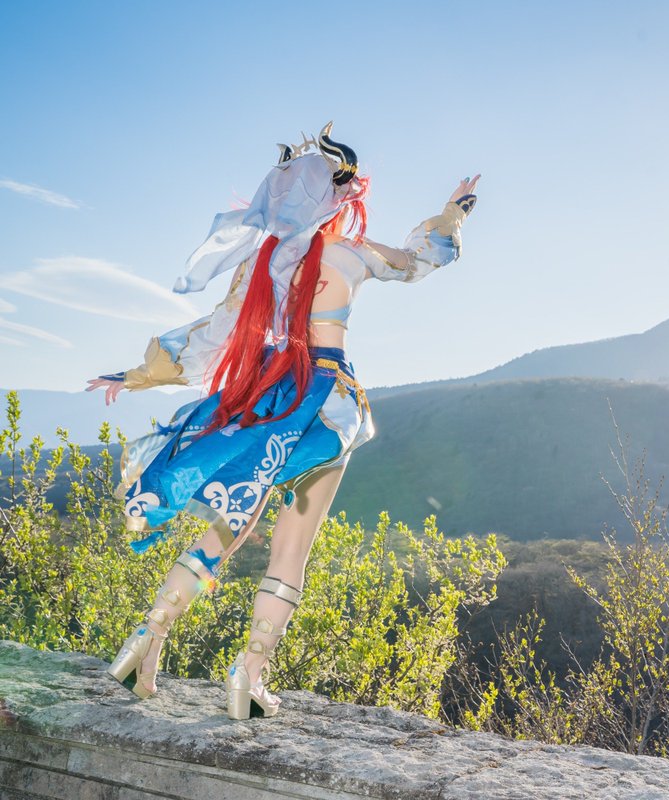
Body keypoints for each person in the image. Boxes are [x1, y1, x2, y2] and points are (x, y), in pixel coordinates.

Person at [86, 122, 479, 720]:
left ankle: (146, 640)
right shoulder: (349, 254)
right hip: (326, 403)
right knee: (292, 546)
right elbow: (421, 259)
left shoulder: (261, 265)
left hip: (267, 396)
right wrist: (453, 213)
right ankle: (249, 675)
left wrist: (136, 375)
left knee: (226, 525)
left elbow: (208, 337)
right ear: (340, 196)